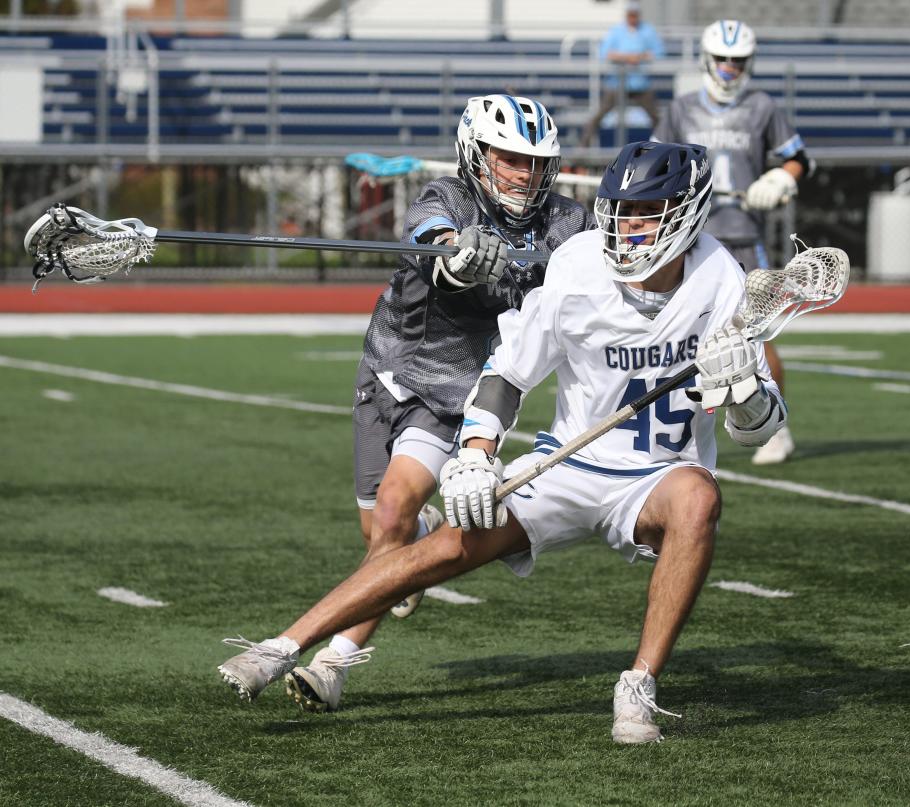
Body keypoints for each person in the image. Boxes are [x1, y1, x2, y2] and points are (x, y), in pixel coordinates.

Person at [217, 141, 789, 744]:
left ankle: (639, 685)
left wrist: (745, 389)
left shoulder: (722, 279)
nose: (627, 228)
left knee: (699, 498)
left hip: (656, 478)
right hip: (571, 462)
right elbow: (509, 372)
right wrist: (474, 454)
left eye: (646, 212)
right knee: (441, 550)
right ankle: (281, 646)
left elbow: (760, 427)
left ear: (688, 213)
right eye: (619, 211)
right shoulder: (579, 266)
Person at [218, 94, 592, 712]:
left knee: (391, 512)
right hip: (388, 371)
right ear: (477, 154)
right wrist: (462, 255)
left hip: (458, 393)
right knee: (380, 528)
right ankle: (421, 537)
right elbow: (431, 243)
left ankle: (334, 663)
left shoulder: (565, 224)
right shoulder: (443, 199)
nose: (524, 174)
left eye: (535, 162)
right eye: (510, 159)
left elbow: (611, 265)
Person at [652, 20, 812, 465]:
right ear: (707, 59)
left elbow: (799, 159)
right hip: (688, 237)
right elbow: (654, 162)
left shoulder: (762, 107)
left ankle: (775, 426)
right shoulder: (681, 109)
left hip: (742, 236)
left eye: (737, 61)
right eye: (722, 59)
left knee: (756, 335)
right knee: (671, 333)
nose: (729, 68)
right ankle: (670, 428)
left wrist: (780, 177)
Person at [578, 1, 665, 147]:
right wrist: (626, 58)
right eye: (630, 15)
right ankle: (581, 148)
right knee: (599, 115)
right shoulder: (617, 31)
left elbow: (659, 52)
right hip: (617, 82)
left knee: (656, 118)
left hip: (640, 83)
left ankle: (666, 147)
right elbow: (605, 53)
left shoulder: (647, 30)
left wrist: (640, 57)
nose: (632, 18)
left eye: (635, 15)